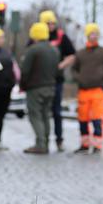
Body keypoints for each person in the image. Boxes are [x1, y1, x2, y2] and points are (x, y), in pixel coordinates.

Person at [72, 23, 103, 154]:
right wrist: (79, 78)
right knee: (83, 118)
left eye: (96, 34)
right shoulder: (80, 54)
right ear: (87, 36)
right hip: (83, 91)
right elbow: (74, 69)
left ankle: (97, 145)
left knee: (97, 118)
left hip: (98, 90)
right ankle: (85, 144)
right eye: (91, 34)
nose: (94, 36)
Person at [20, 22, 60, 154]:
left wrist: (22, 85)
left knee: (35, 115)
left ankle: (40, 144)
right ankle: (46, 143)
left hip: (35, 88)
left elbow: (25, 71)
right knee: (45, 116)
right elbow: (58, 71)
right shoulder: (54, 50)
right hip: (51, 87)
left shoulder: (33, 50)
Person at [39, 10, 76, 151]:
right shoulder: (37, 36)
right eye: (47, 23)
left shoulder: (61, 37)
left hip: (56, 80)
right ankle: (43, 140)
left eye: (52, 23)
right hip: (41, 81)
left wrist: (60, 66)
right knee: (42, 112)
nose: (51, 25)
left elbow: (72, 55)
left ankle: (59, 140)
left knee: (56, 111)